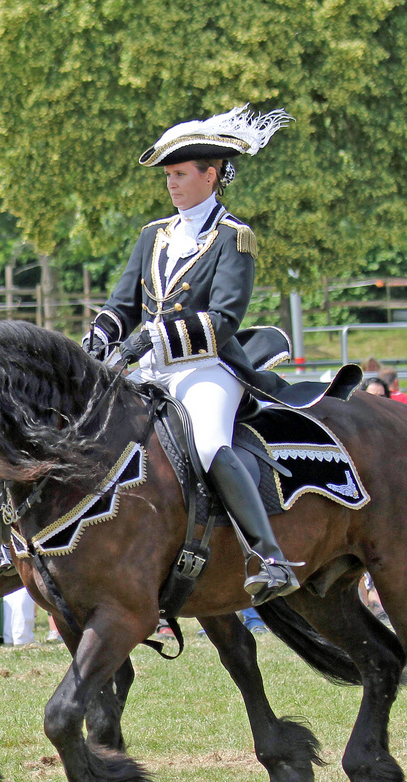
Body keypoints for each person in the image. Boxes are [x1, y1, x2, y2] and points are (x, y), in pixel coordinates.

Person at [83, 104, 298, 602]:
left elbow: (223, 320)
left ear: (212, 174)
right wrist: (100, 339)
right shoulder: (152, 235)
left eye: (181, 174)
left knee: (206, 444)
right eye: (168, 176)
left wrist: (149, 339)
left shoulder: (234, 238)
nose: (172, 184)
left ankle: (269, 556)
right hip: (152, 372)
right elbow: (122, 304)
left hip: (207, 368)